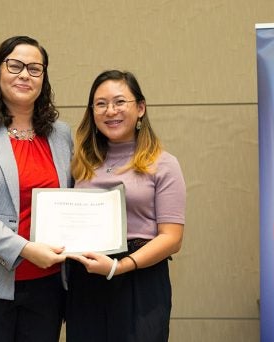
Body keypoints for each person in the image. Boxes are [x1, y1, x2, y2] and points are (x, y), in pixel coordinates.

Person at [66, 70, 186, 342]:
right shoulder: (81, 163)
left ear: (140, 108)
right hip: (87, 279)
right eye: (100, 104)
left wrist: (119, 267)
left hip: (139, 280)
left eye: (120, 102)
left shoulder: (163, 163)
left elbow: (172, 238)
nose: (111, 111)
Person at [0, 36, 73, 342]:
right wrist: (25, 250)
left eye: (35, 68)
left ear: (44, 77)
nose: (25, 74)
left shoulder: (60, 134)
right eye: (15, 66)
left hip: (49, 286)